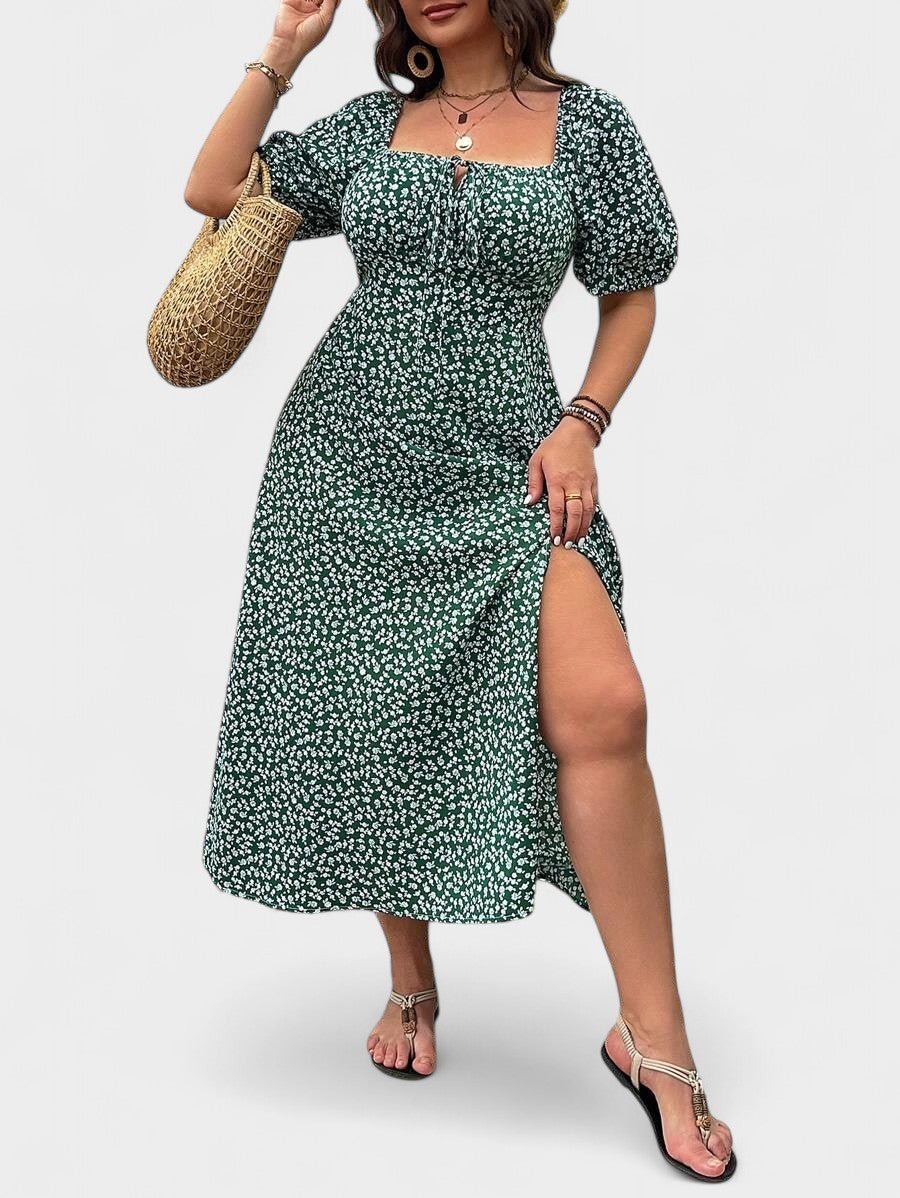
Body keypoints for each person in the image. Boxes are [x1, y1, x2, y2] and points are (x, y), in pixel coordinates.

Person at [184, 0, 736, 1181]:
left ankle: (655, 1039)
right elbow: (213, 189)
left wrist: (583, 421)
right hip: (345, 465)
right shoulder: (366, 126)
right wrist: (281, 55)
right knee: (385, 719)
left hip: (512, 460)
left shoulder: (591, 127)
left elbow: (633, 289)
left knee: (607, 707)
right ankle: (411, 980)